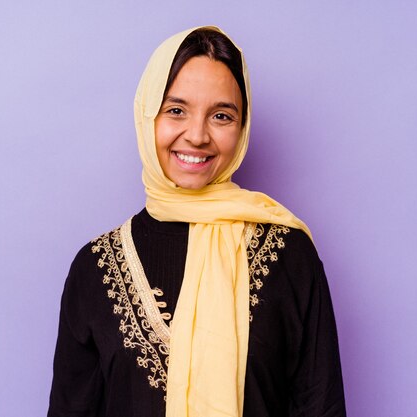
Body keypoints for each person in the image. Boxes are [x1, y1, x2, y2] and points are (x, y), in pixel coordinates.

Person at [48, 26, 346, 417]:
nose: (197, 135)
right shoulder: (94, 267)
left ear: (241, 129)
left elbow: (321, 407)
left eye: (221, 116)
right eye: (176, 111)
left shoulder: (290, 255)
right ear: (147, 116)